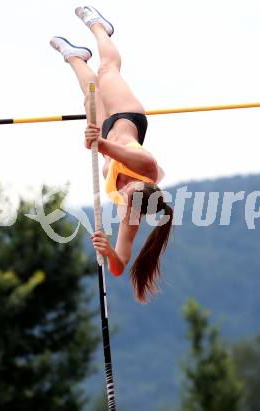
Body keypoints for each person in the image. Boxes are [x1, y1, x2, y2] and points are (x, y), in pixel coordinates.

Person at [50, 6, 173, 303]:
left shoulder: (130, 212)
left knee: (90, 94)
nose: (125, 190)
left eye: (128, 196)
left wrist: (108, 250)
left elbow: (119, 266)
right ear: (146, 184)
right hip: (126, 116)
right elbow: (105, 148)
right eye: (132, 187)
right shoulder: (146, 165)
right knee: (107, 72)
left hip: (105, 133)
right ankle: (99, 27)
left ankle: (75, 57)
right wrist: (96, 142)